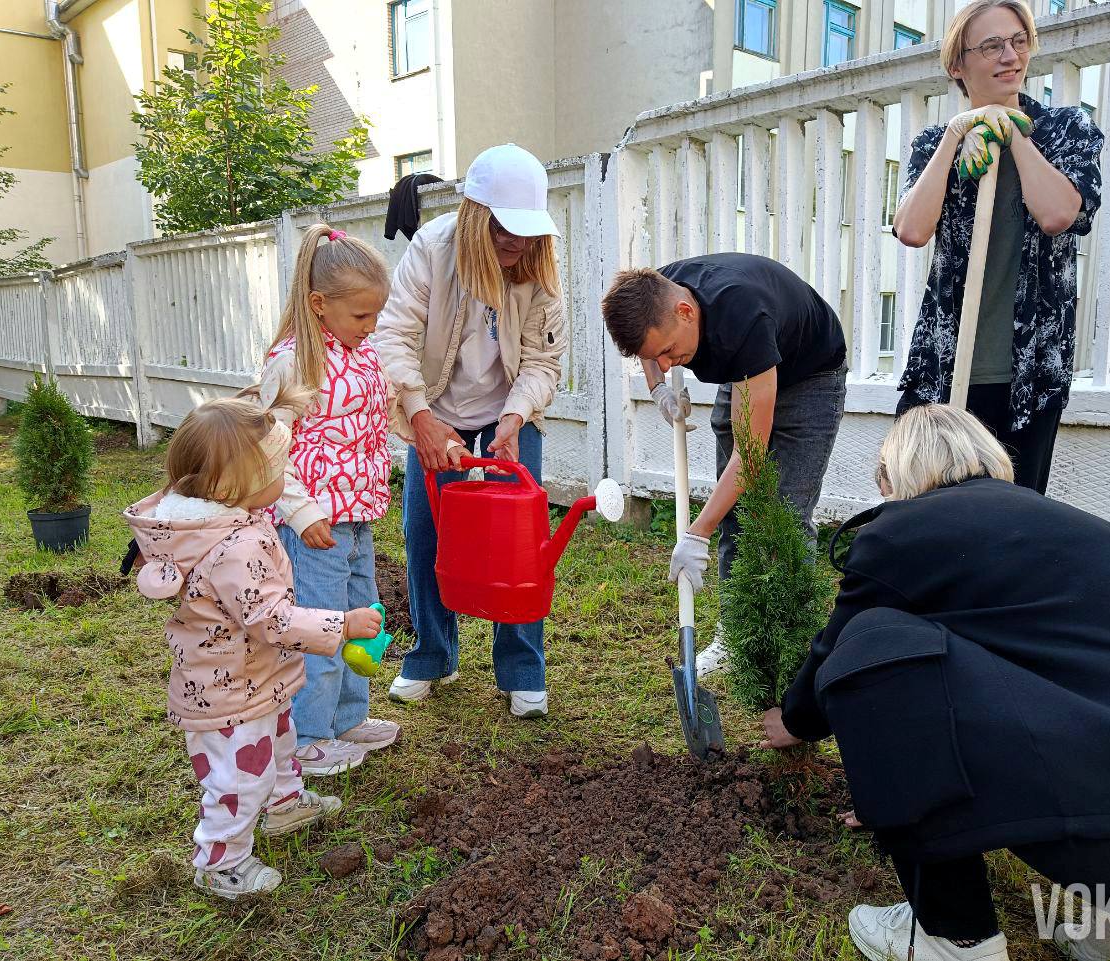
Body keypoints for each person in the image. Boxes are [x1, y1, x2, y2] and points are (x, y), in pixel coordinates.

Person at [761, 404, 1110, 961]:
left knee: (875, 643)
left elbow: (840, 651)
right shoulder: (1076, 525)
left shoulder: (900, 533)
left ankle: (953, 936)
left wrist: (799, 722)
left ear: (894, 478)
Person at [124, 391, 384, 899]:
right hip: (232, 691)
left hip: (249, 677)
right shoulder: (235, 546)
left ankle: (284, 803)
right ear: (232, 483)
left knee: (280, 743)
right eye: (276, 469)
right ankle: (221, 863)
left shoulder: (218, 517)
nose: (284, 477)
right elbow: (271, 620)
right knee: (239, 779)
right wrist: (343, 625)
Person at [372, 143, 566, 719]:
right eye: (504, 230)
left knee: (521, 545)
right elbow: (395, 336)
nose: (515, 243)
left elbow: (542, 363)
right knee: (426, 533)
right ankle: (433, 654)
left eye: (526, 232)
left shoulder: (540, 272)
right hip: (436, 406)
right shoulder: (433, 249)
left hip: (507, 410)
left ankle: (521, 667)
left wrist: (514, 418)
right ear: (475, 215)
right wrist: (421, 418)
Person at [893, 0, 1104, 494]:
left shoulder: (1066, 130)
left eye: (1019, 41)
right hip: (942, 362)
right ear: (958, 65)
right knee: (924, 501)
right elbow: (911, 230)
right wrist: (953, 138)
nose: (1011, 56)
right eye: (991, 46)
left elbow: (1058, 215)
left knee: (1013, 512)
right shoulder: (933, 145)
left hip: (1030, 369)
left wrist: (1012, 133)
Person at [601, 254, 847, 674]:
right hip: (747, 372)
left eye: (666, 352)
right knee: (735, 511)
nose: (663, 361)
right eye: (653, 356)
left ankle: (794, 650)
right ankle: (736, 637)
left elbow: (749, 456)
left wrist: (697, 534)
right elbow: (646, 343)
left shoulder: (742, 318)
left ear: (686, 312)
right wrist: (658, 387)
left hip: (810, 379)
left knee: (785, 517)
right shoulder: (657, 293)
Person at [259, 224, 402, 777]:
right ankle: (307, 737)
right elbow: (271, 448)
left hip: (359, 514)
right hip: (316, 524)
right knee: (321, 627)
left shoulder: (362, 354)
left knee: (362, 619)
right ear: (319, 304)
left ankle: (347, 718)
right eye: (361, 316)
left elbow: (379, 415)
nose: (370, 328)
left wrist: (425, 433)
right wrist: (301, 511)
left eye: (375, 316)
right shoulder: (294, 361)